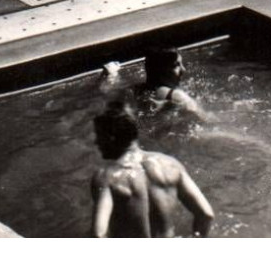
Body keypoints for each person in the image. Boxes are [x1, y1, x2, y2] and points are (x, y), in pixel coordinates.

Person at [89, 104, 214, 238]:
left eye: (99, 135)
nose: (96, 142)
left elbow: (99, 234)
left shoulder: (107, 177)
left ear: (111, 137)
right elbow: (206, 214)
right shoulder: (171, 165)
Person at [101, 48, 204, 118]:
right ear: (161, 71)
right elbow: (206, 119)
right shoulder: (177, 96)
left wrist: (112, 75)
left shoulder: (136, 90)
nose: (183, 69)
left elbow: (108, 91)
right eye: (176, 65)